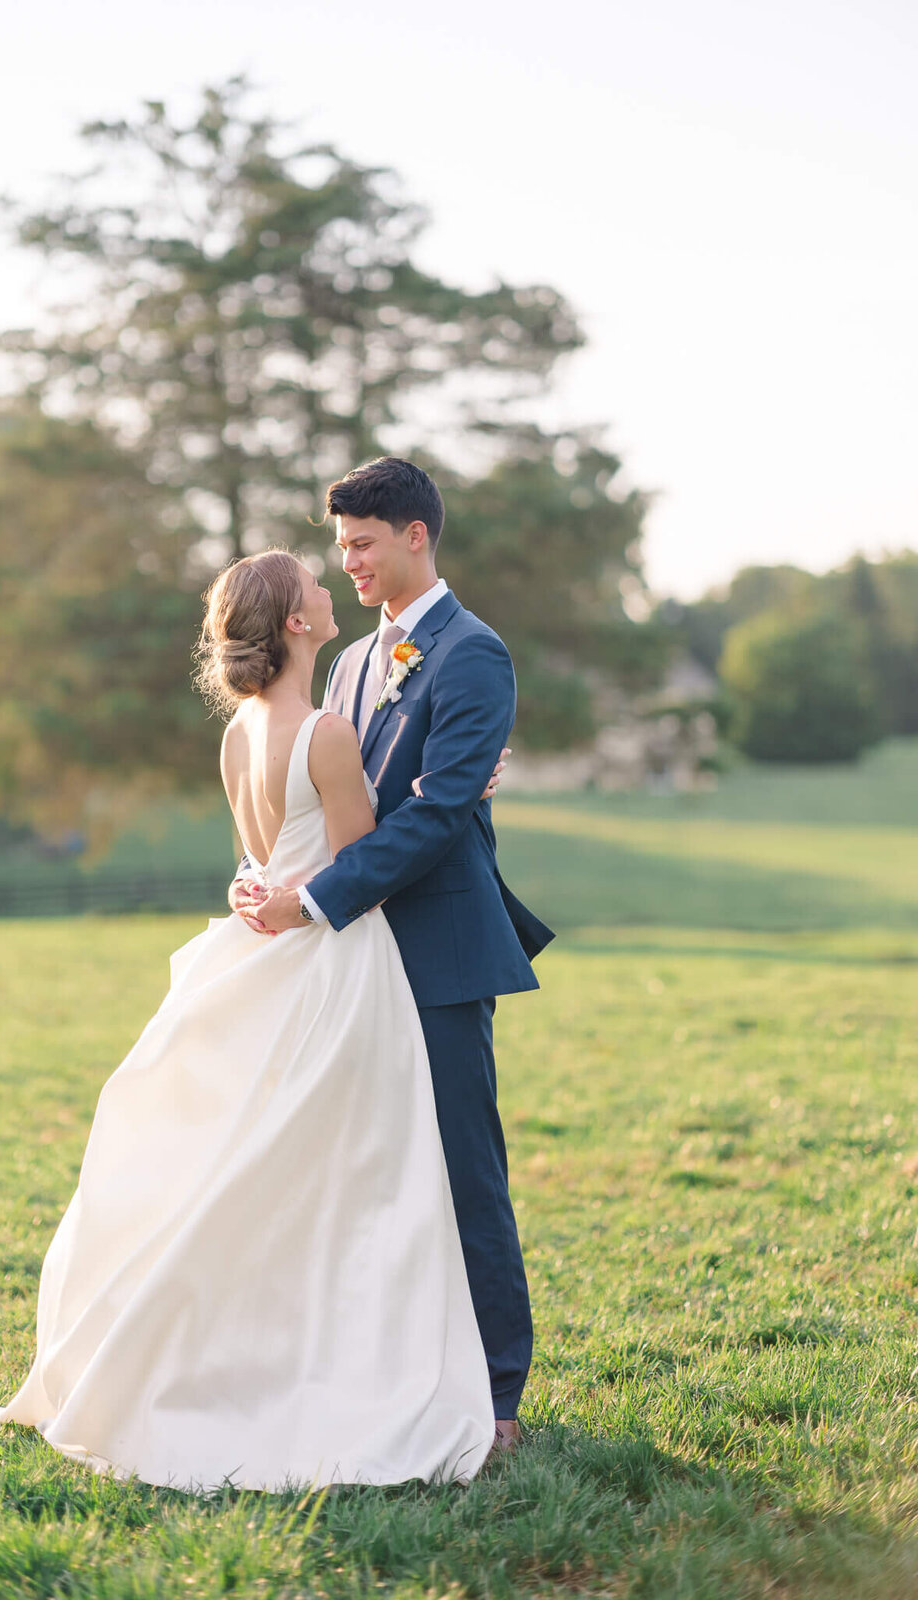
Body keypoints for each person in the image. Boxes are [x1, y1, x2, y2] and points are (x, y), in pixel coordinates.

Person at [0, 546, 498, 1492]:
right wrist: (461, 792)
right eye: (313, 578)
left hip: (258, 954)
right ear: (298, 622)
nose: (329, 579)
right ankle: (338, 1366)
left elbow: (261, 857)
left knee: (255, 1167)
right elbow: (362, 863)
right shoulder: (328, 736)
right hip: (332, 966)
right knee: (358, 1178)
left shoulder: (237, 736)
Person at [237, 457, 554, 1455]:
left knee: (466, 1174)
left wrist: (318, 897)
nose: (352, 563)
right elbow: (354, 796)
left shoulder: (475, 655)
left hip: (438, 955)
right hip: (352, 963)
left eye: (364, 544)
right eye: (342, 549)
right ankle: (390, 1369)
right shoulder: (352, 662)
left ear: (416, 535)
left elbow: (436, 812)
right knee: (375, 1176)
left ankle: (498, 1399)